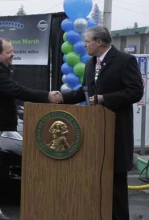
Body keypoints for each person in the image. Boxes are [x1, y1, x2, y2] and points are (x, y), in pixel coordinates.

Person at [0, 38, 62, 220]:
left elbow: (1, 96)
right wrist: (47, 96)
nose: (13, 54)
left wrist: (12, 111)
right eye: (9, 52)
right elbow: (18, 91)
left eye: (12, 50)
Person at [62, 25, 143, 220]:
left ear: (99, 42)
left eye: (87, 41)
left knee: (115, 186)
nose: (84, 44)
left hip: (116, 134)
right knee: (95, 183)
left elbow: (135, 91)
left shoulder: (125, 60)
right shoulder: (90, 64)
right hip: (93, 135)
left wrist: (104, 99)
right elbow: (85, 92)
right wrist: (59, 98)